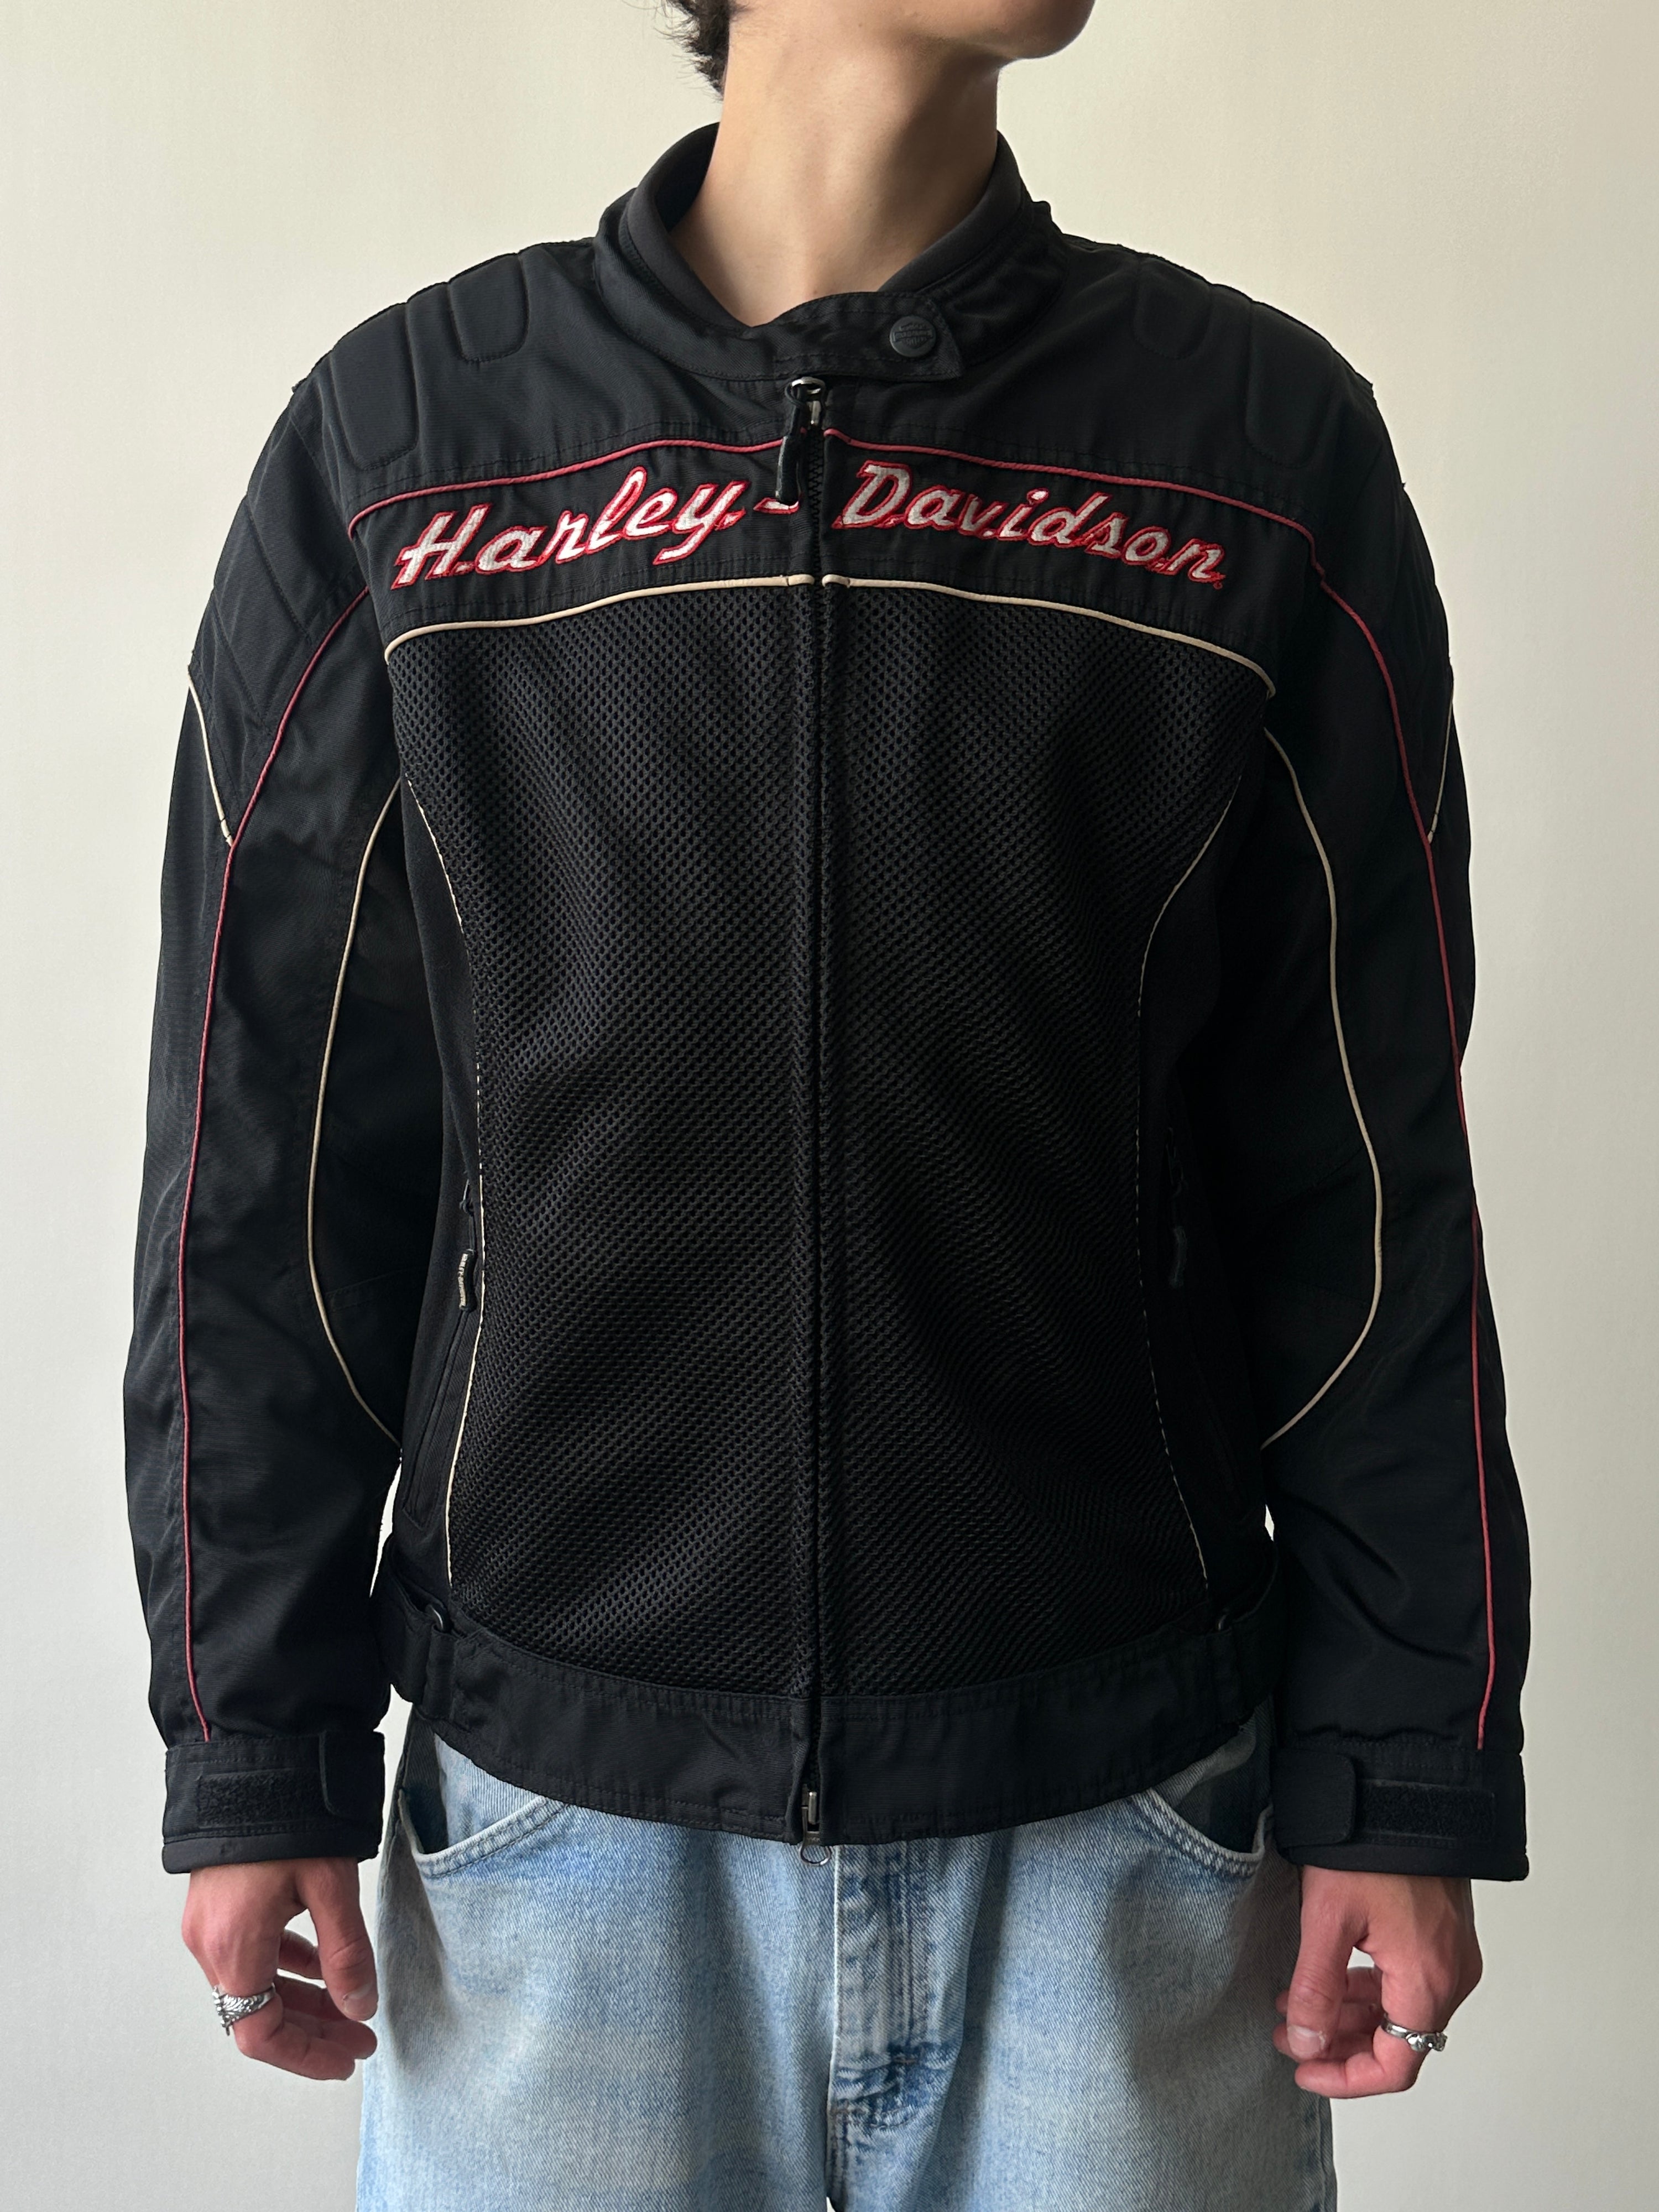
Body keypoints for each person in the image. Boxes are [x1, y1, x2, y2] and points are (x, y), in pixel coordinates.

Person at [124, 2, 1531, 2205]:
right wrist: (252, 1740)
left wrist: (1400, 1758)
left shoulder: (1253, 450)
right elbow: (265, 1159)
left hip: (1123, 1828)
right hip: (556, 1847)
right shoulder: (409, 450)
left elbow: (1362, 1181)